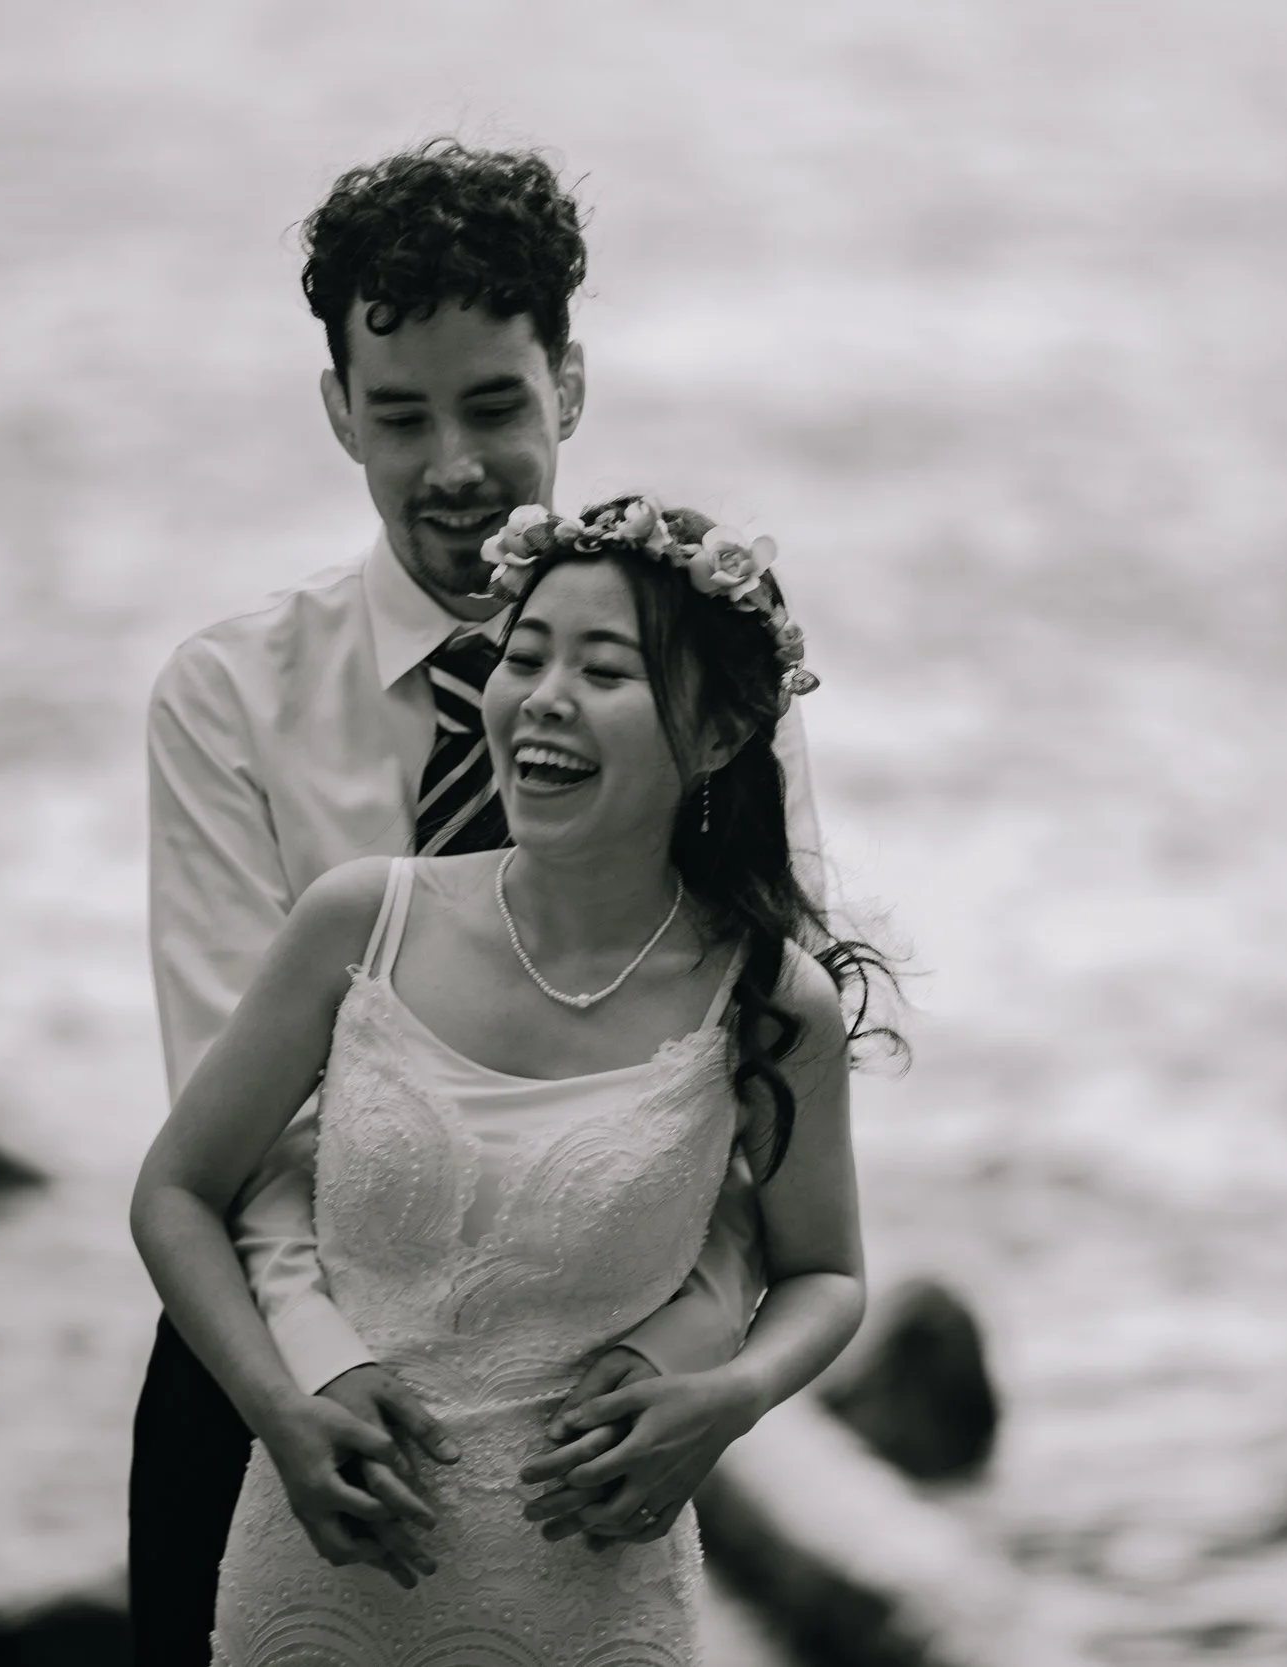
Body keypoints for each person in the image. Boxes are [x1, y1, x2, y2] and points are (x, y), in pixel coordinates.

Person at [128, 142, 824, 1661]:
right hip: (262, 1390)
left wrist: (683, 1362)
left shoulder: (718, 699)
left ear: (569, 382)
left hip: (587, 1440)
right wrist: (304, 1380)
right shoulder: (229, 698)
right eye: (400, 415)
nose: (453, 464)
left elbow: (747, 1083)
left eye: (496, 404)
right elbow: (232, 1128)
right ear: (339, 415)